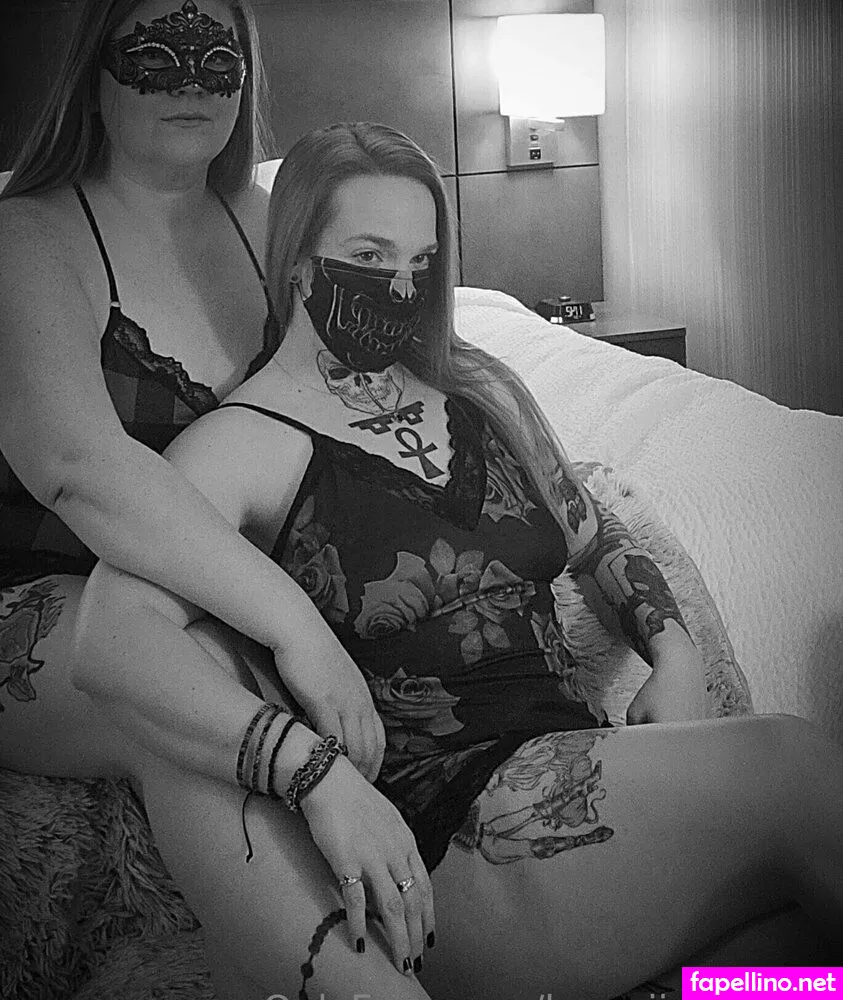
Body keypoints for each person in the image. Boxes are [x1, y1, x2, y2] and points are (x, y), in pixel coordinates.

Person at [73, 121, 843, 1000]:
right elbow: (110, 635)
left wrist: (674, 652)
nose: (401, 285)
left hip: (584, 787)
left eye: (421, 259)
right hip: (457, 841)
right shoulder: (241, 443)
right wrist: (313, 773)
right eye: (368, 255)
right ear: (296, 263)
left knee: (793, 969)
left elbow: (591, 533)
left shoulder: (477, 386)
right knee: (794, 764)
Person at [0, 0, 387, 884]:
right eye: (156, 54)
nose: (190, 82)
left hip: (230, 597)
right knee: (196, 689)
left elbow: (361, 398)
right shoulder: (26, 236)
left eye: (218, 58)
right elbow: (78, 470)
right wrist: (298, 630)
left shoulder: (274, 225)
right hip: (50, 591)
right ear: (92, 75)